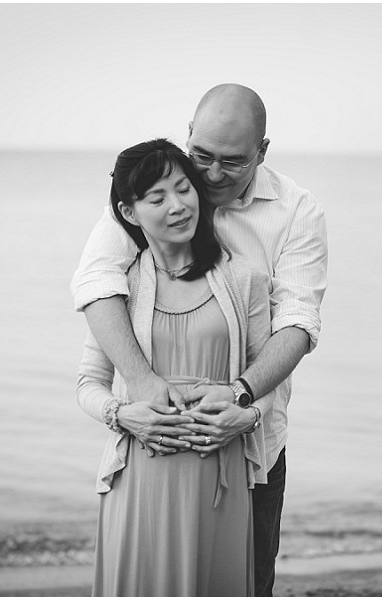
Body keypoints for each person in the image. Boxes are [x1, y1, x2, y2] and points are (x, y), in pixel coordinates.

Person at [71, 83, 328, 596]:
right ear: (189, 136)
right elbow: (97, 284)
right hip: (146, 462)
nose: (208, 177)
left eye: (231, 162)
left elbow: (296, 323)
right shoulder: (158, 190)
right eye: (201, 156)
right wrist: (136, 391)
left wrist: (242, 400)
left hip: (246, 449)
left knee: (246, 583)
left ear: (263, 151)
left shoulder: (296, 214)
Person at [76, 138, 275, 595]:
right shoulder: (117, 291)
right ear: (130, 213)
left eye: (184, 189)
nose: (178, 206)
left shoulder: (244, 278)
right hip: (141, 479)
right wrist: (123, 414)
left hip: (218, 478)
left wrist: (247, 414)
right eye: (157, 197)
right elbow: (89, 383)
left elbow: (269, 378)